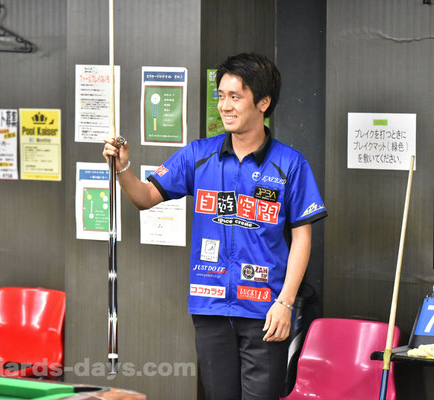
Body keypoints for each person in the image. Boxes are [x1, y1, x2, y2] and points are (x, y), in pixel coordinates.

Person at [103, 53, 326, 399]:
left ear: (263, 102)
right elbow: (144, 197)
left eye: (235, 96)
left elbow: (302, 237)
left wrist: (285, 303)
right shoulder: (198, 155)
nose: (225, 106)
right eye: (221, 96)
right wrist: (122, 168)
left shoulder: (290, 164)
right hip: (210, 308)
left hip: (266, 310)